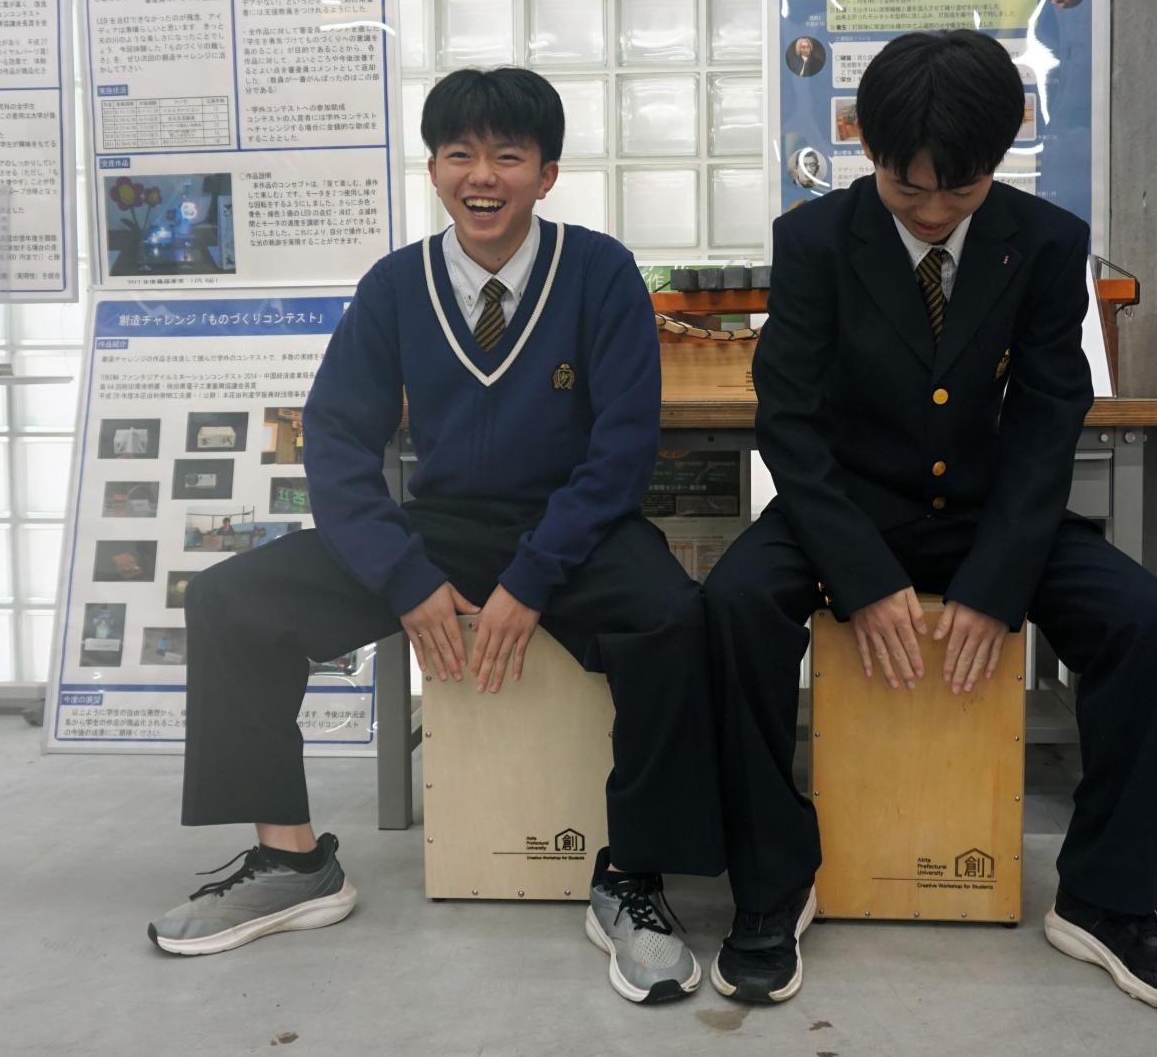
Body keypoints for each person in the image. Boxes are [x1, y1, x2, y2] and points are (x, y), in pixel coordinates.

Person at [148, 67, 725, 1005]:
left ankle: (632, 878)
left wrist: (532, 578)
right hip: (440, 530)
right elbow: (337, 441)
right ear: (433, 169)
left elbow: (622, 451)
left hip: (574, 530)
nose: (481, 175)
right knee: (231, 601)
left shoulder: (601, 272)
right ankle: (291, 863)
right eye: (460, 153)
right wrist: (405, 577)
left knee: (674, 619)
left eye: (508, 155)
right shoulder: (394, 286)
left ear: (547, 174)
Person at [703, 30, 1157, 1011]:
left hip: (992, 515)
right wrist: (862, 576)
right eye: (910, 190)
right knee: (733, 605)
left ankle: (1108, 899)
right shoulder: (814, 241)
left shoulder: (1046, 241)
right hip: (847, 510)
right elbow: (791, 425)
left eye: (963, 188)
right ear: (866, 146)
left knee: (1147, 622)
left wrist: (995, 583)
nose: (937, 211)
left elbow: (1047, 419)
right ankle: (772, 884)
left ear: (1002, 152)